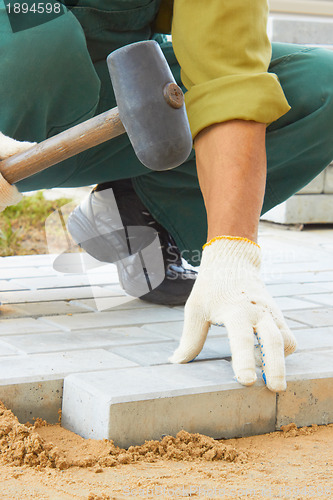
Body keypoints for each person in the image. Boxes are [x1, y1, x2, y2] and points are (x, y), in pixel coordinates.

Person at [0, 0, 332, 393]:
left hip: (111, 98)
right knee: (36, 35)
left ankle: (139, 211)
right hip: (14, 93)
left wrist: (232, 251)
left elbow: (228, 79)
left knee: (319, 87)